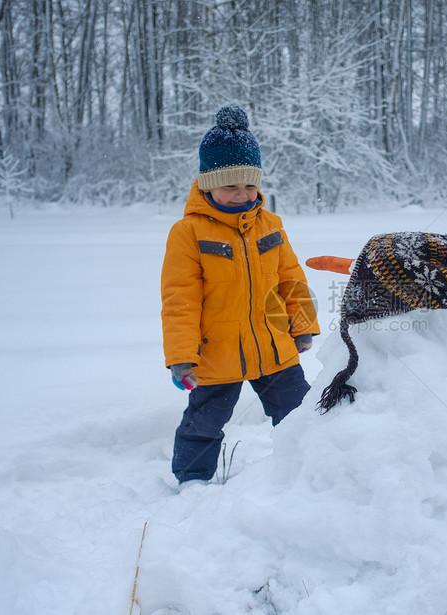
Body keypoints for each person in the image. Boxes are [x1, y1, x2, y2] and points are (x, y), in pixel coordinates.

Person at [161, 105, 320, 484]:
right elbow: (179, 299)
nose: (241, 193)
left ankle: (310, 468)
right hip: (216, 353)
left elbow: (291, 279)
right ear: (207, 184)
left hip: (274, 346)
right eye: (230, 185)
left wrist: (302, 326)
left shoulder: (271, 225)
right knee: (204, 422)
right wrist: (181, 357)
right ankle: (192, 480)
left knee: (302, 412)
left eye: (249, 184)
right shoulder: (189, 233)